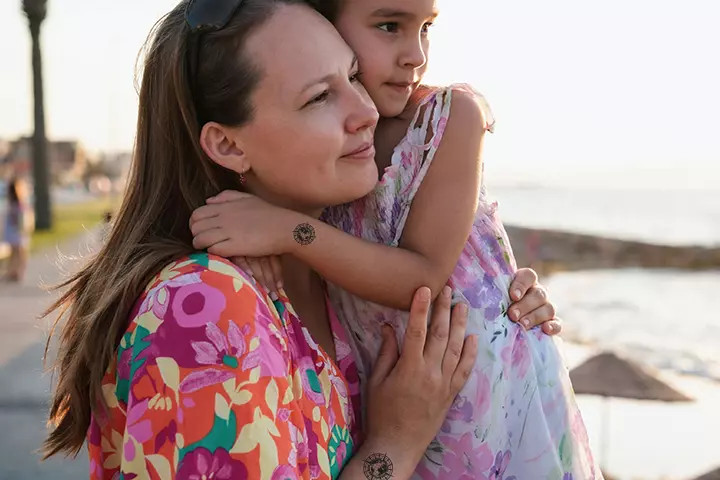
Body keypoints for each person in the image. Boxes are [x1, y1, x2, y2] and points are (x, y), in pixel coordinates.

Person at [42, 1, 481, 478]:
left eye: (353, 77)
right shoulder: (202, 307)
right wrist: (395, 443)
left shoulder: (324, 276)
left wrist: (502, 301)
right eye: (318, 98)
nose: (367, 112)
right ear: (229, 145)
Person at [190, 0, 600, 478]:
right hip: (406, 409)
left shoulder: (446, 118)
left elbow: (423, 277)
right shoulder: (321, 160)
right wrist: (257, 238)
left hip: (488, 395)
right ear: (326, 22)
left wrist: (286, 233)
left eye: (426, 28)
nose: (416, 54)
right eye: (389, 26)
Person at [2, 177, 32, 282]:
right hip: (18, 233)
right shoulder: (19, 204)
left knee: (14, 254)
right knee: (20, 255)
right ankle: (16, 273)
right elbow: (21, 221)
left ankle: (12, 272)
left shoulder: (11, 203)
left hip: (12, 233)